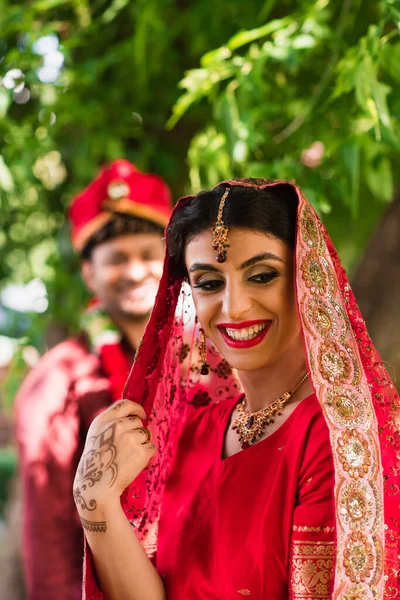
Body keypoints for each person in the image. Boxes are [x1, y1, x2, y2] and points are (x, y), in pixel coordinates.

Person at [75, 178, 400, 599]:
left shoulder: (347, 439)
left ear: (309, 282)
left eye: (262, 276)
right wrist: (96, 505)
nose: (234, 307)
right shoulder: (191, 429)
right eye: (209, 283)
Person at [14, 159, 172, 600]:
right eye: (117, 259)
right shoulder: (58, 382)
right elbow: (50, 535)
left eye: (147, 254)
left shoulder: (212, 357)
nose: (136, 271)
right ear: (89, 273)